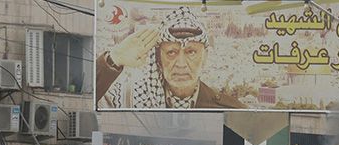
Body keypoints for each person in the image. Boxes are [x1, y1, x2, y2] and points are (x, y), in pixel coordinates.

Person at [97, 6, 245, 109]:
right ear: (158, 59)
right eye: (171, 52)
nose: (181, 64)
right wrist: (113, 59)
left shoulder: (229, 109)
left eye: (191, 52)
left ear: (205, 57)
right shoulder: (128, 98)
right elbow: (91, 105)